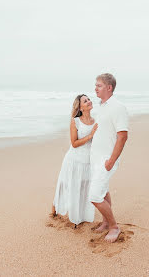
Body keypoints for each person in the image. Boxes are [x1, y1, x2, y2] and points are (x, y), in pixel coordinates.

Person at [89, 73, 129, 243]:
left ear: (109, 87)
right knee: (103, 190)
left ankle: (114, 226)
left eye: (98, 85)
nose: (95, 88)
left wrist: (111, 160)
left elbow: (122, 136)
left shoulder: (118, 107)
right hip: (96, 158)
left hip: (107, 159)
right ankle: (106, 222)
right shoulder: (102, 106)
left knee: (94, 196)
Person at [51, 94, 98, 225]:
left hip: (88, 162)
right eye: (85, 101)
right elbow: (74, 143)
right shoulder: (75, 121)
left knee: (83, 188)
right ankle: (54, 210)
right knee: (65, 184)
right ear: (80, 107)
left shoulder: (95, 121)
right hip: (73, 160)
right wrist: (91, 135)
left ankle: (79, 215)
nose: (89, 101)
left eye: (88, 99)